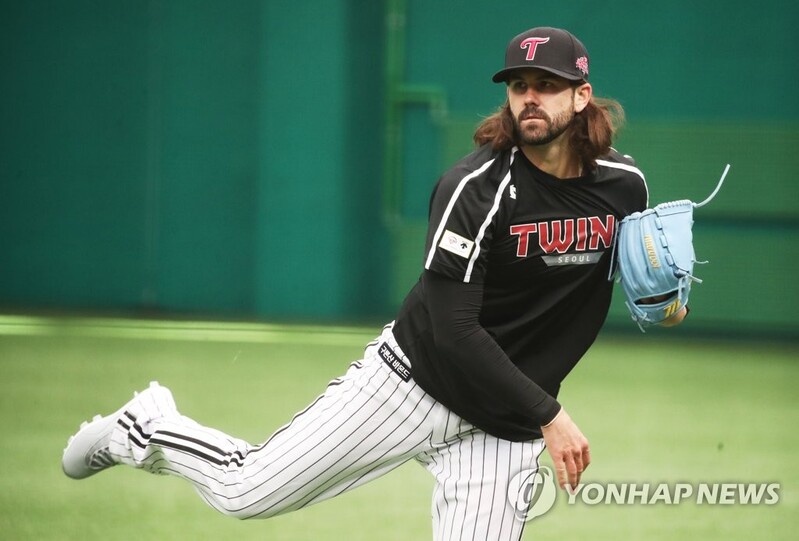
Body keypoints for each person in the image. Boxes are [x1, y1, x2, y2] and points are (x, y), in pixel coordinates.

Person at [62, 26, 685, 540]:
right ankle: (143, 427)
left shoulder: (622, 186)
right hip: (413, 385)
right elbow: (454, 328)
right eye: (519, 85)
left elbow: (630, 278)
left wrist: (669, 303)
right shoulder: (476, 189)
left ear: (581, 97)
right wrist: (550, 414)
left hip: (505, 424)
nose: (529, 97)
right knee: (245, 491)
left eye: (547, 86)